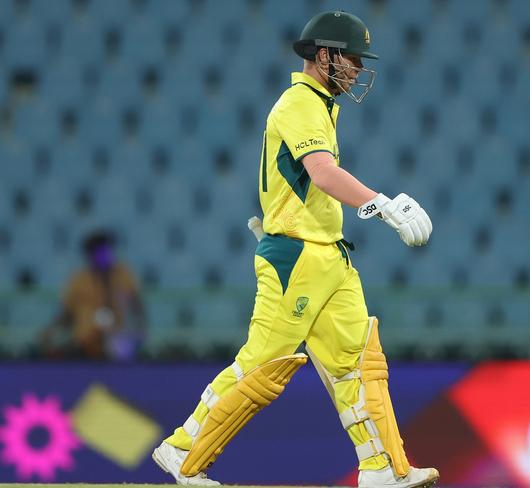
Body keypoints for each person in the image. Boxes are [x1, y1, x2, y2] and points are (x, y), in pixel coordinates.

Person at [152, 11, 438, 488]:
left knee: (357, 363)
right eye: (349, 57)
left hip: (331, 255)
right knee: (262, 366)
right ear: (322, 55)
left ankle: (382, 469)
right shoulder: (300, 102)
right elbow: (322, 172)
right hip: (296, 257)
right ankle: (182, 451)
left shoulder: (323, 104)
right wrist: (383, 206)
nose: (355, 68)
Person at [41, 229, 146, 360]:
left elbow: (137, 307)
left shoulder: (123, 274)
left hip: (117, 344)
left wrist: (140, 333)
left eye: (107, 251)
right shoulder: (78, 279)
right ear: (89, 255)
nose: (105, 256)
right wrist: (51, 331)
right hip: (85, 343)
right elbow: (66, 314)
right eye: (99, 252)